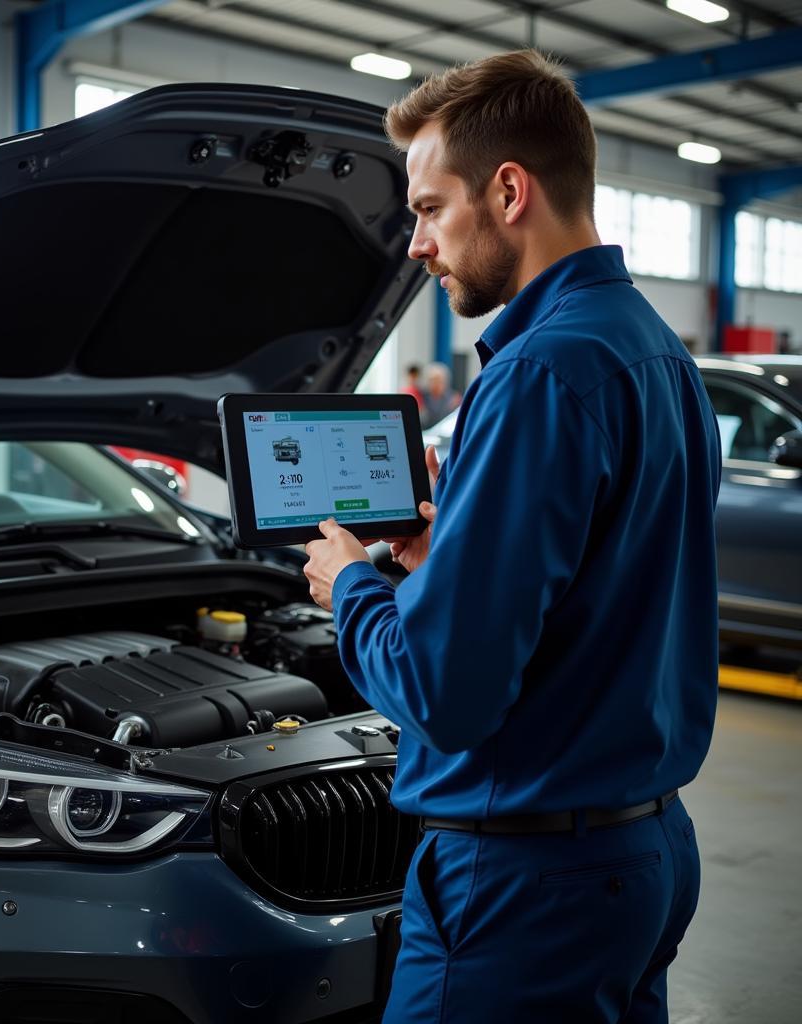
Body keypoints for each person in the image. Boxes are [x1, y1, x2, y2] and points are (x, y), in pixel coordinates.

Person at [303, 50, 721, 1023]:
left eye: (428, 207)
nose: (414, 244)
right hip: (641, 853)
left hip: (524, 877)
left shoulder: (538, 372)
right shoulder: (654, 351)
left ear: (506, 190)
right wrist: (448, 553)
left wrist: (351, 581)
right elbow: (606, 584)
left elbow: (446, 694)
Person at [419, 360, 460, 427]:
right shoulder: (422, 397)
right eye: (432, 380)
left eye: (438, 380)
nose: (435, 384)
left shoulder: (453, 398)